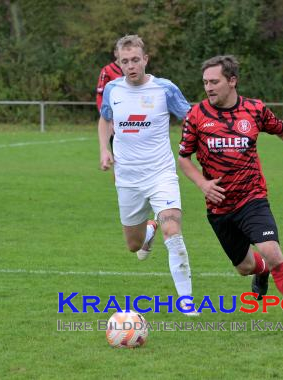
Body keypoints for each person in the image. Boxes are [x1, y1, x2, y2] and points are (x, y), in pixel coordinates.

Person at [178, 55, 283, 340]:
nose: (208, 87)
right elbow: (184, 157)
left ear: (232, 81)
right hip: (219, 206)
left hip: (252, 198)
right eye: (205, 82)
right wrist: (202, 183)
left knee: (273, 253)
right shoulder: (196, 115)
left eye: (214, 81)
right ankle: (262, 271)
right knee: (245, 267)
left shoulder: (254, 110)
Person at [98, 35, 198, 316]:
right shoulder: (112, 90)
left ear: (145, 59)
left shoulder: (164, 89)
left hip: (161, 174)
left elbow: (191, 119)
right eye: (124, 61)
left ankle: (186, 301)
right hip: (127, 178)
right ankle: (148, 230)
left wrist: (192, 148)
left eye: (135, 60)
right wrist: (104, 149)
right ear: (118, 63)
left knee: (173, 230)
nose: (131, 65)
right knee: (133, 245)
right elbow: (105, 119)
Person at [96, 46, 123, 150]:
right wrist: (108, 119)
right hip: (114, 119)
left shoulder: (134, 71)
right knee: (118, 156)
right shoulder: (107, 70)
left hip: (132, 121)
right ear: (115, 53)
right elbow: (100, 95)